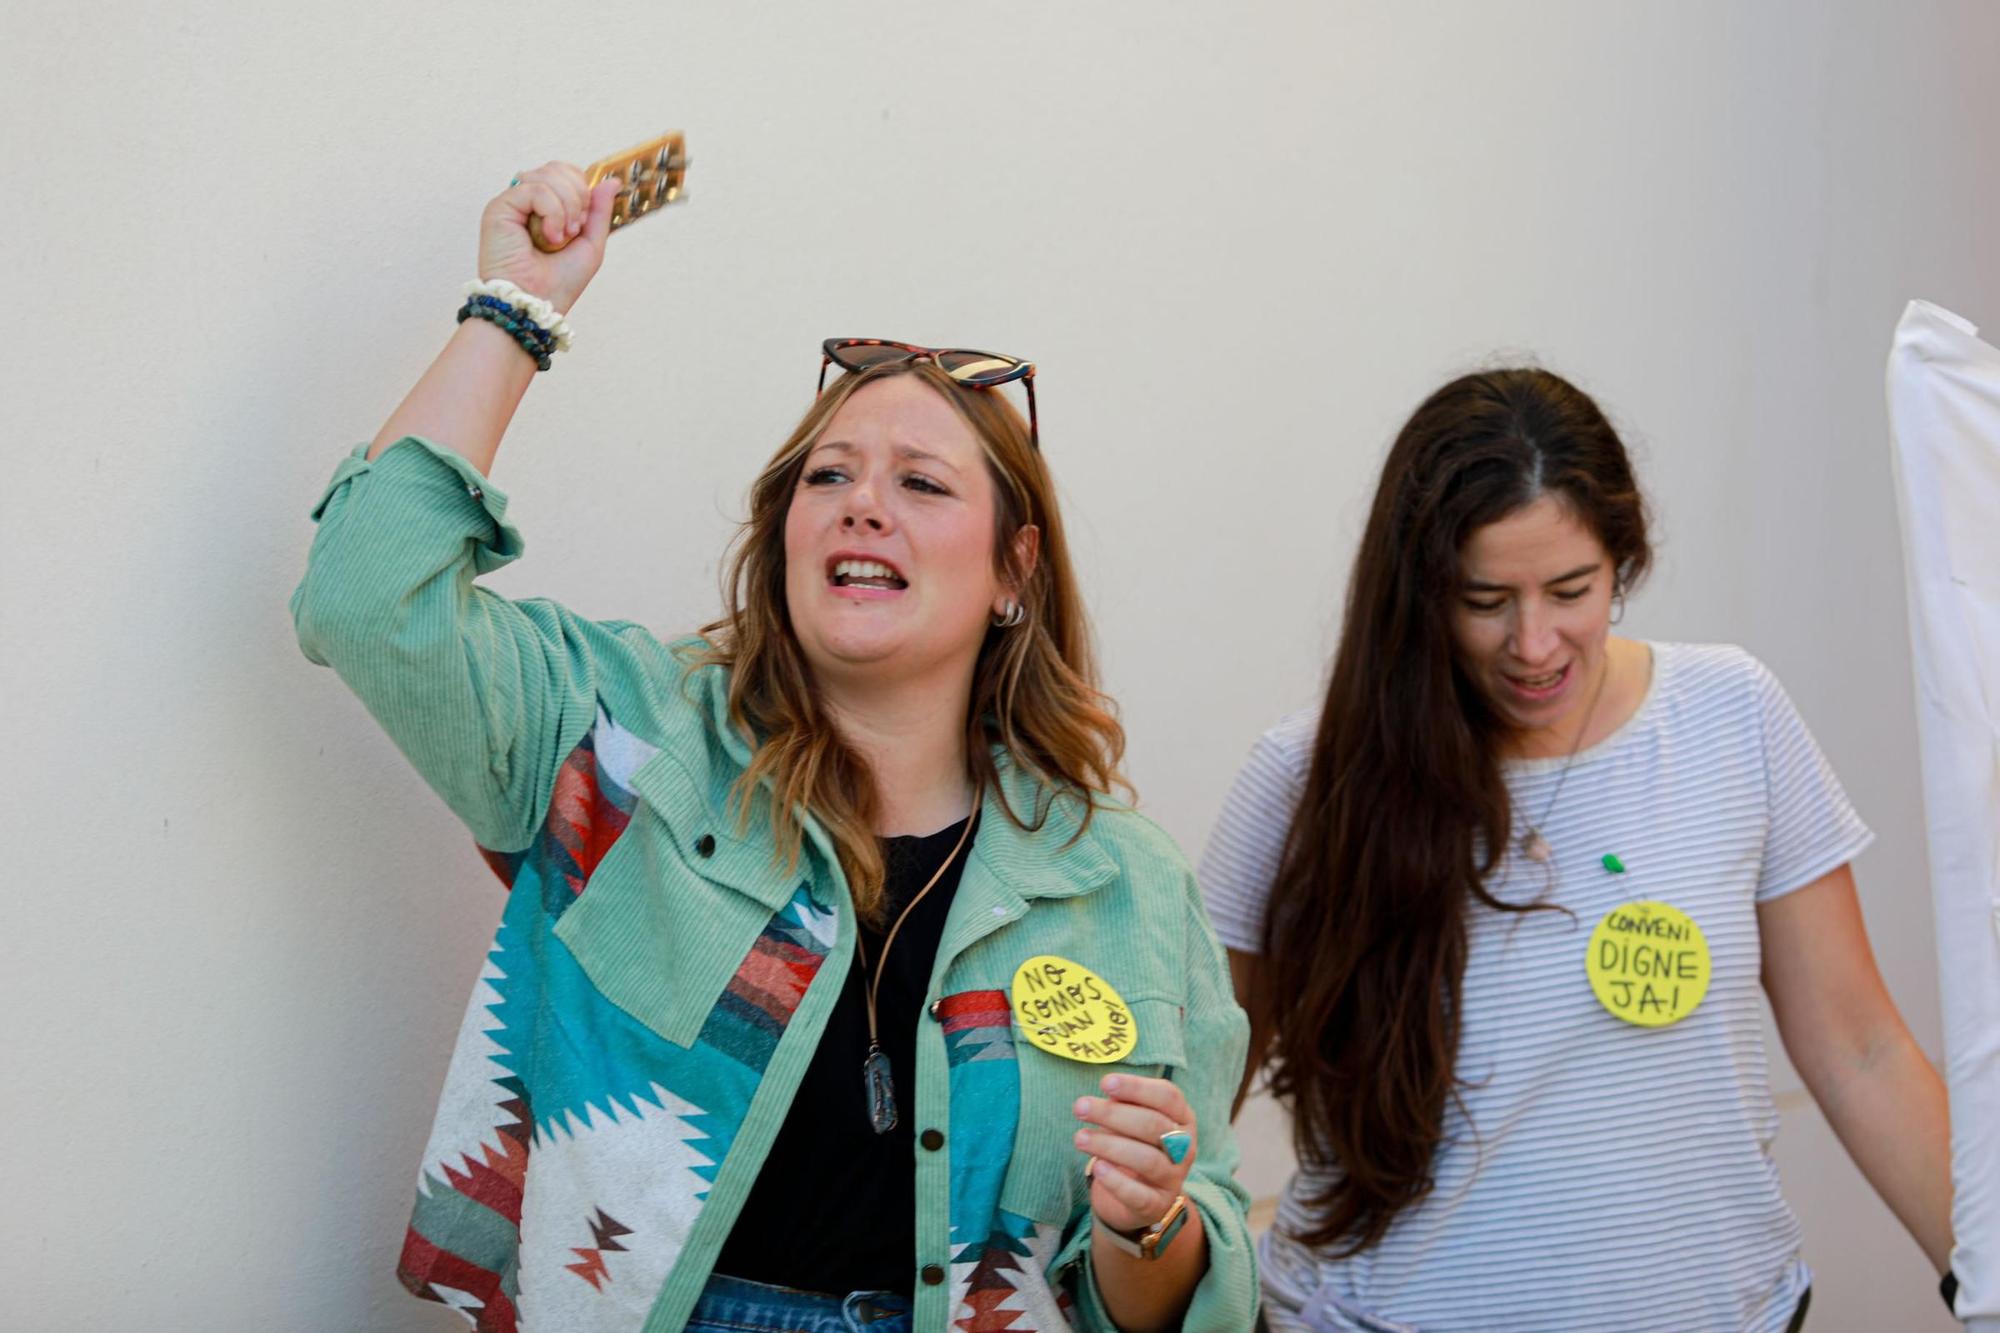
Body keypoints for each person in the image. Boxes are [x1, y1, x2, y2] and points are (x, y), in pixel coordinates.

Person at [291, 162, 1255, 1333]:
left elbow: (1155, 1296)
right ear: (783, 528)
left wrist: (1149, 1226)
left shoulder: (1127, 884)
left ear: (1013, 570)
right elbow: (362, 594)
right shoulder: (621, 739)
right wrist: (514, 308)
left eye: (920, 483)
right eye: (829, 475)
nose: (861, 504)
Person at [1202, 368, 1953, 1330]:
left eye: (1571, 590)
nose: (1534, 643)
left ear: (1623, 561)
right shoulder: (1310, 774)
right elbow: (1197, 1090)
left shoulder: (1732, 714)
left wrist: (1981, 1270)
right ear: (1418, 592)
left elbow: (1863, 1050)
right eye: (1484, 599)